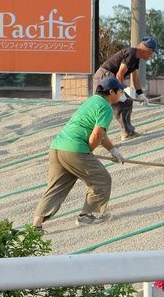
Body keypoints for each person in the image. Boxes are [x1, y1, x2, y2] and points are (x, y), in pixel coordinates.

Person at [31, 76, 128, 230]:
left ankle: (36, 225)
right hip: (75, 149)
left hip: (57, 147)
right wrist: (86, 153)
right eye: (120, 91)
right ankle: (86, 216)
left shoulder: (91, 101)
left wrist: (113, 150)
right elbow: (96, 135)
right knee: (101, 179)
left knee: (56, 187)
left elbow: (100, 134)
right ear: (111, 91)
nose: (122, 93)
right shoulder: (106, 107)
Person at [94, 35, 156, 140]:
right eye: (152, 53)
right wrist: (120, 93)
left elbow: (135, 77)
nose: (151, 56)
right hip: (105, 77)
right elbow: (120, 74)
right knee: (110, 105)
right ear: (147, 50)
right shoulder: (131, 53)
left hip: (108, 77)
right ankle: (98, 136)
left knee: (127, 101)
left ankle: (127, 132)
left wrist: (140, 94)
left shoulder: (136, 58)